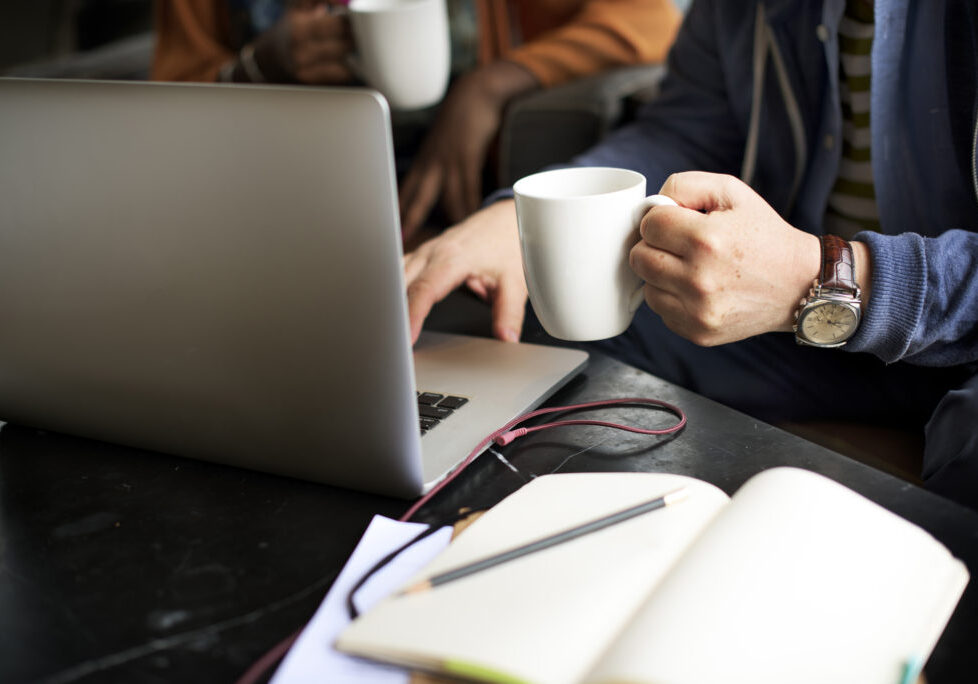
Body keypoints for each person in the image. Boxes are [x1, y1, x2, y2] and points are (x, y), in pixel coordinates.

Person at [403, 0, 978, 510]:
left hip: (956, 349)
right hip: (797, 336)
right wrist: (528, 215)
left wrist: (815, 276)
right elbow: (684, 131)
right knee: (535, 324)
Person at [151, 0, 682, 239]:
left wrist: (490, 85)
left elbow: (647, 19)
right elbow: (159, 119)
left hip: (433, 219)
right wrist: (259, 66)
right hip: (257, 223)